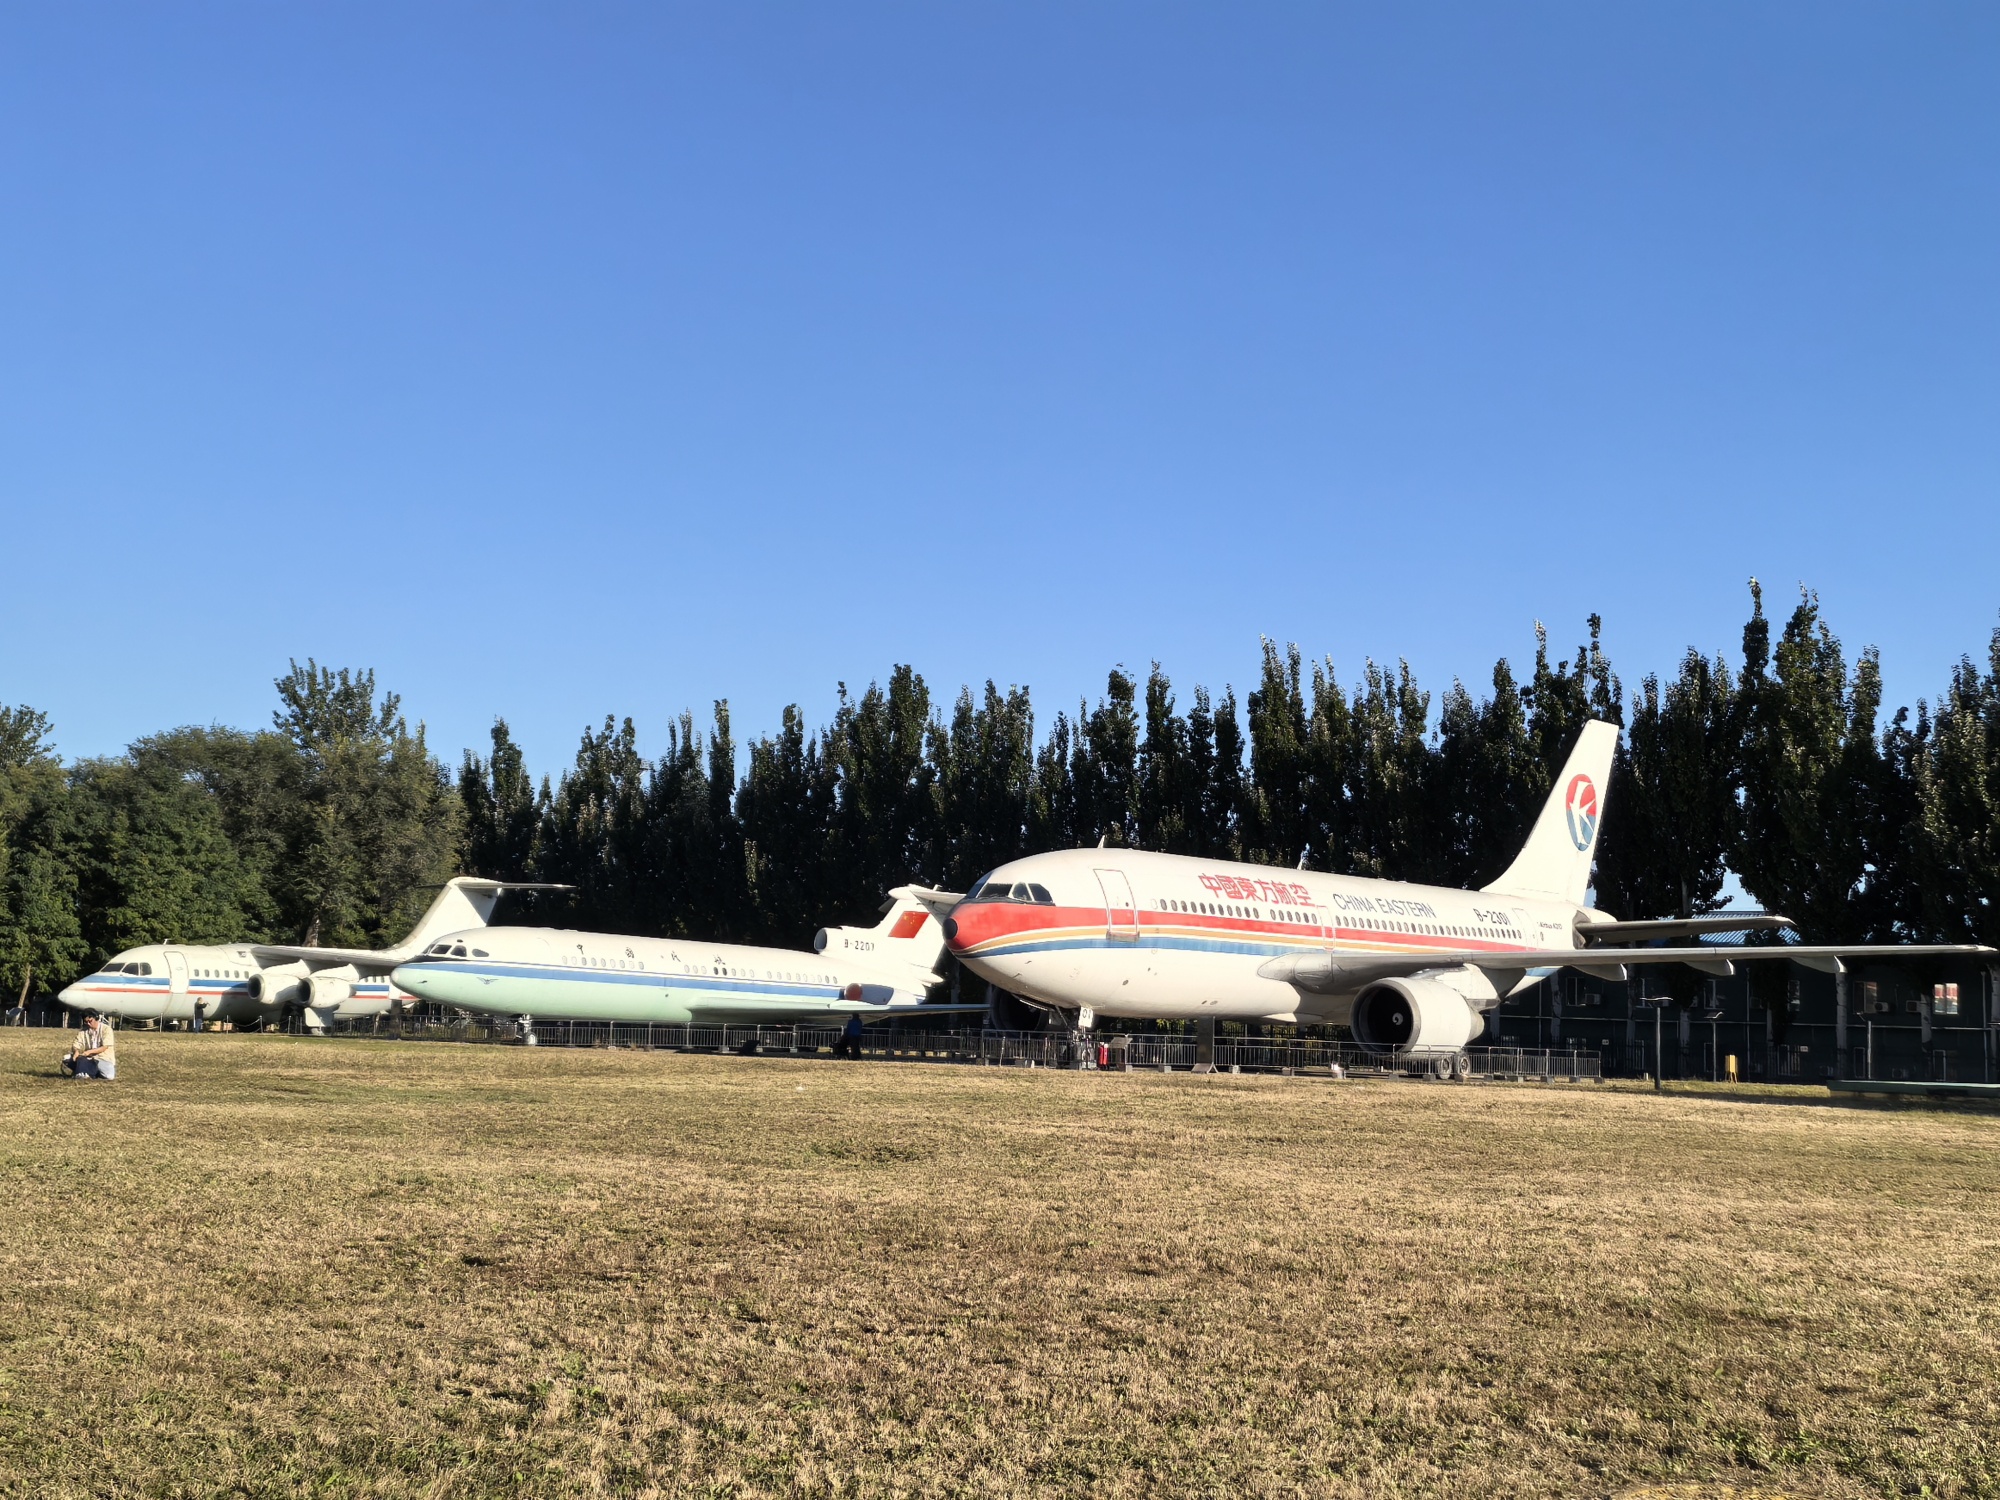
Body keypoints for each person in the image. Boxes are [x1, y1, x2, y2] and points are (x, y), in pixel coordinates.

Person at [63, 1009, 116, 1081]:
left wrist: (89, 1052)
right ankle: (84, 1072)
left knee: (109, 1076)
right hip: (88, 1058)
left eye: (90, 1021)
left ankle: (86, 1071)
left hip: (103, 1059)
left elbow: (105, 1047)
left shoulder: (107, 1029)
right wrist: (76, 1051)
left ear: (96, 1018)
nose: (88, 1023)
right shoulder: (83, 1031)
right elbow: (76, 1044)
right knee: (66, 1058)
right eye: (86, 1022)